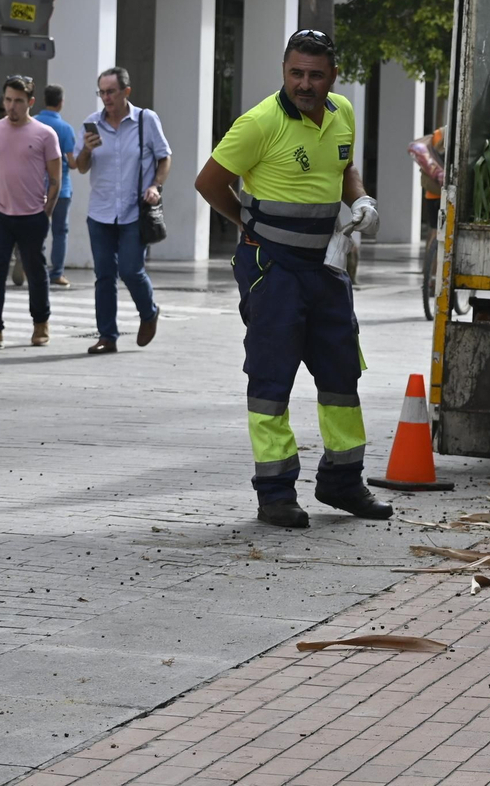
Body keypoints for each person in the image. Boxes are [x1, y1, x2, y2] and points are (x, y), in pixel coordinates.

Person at [195, 29, 391, 529]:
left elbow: (345, 166)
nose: (305, 84)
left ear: (333, 76)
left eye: (315, 75)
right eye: (296, 73)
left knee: (342, 376)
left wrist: (361, 200)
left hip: (325, 268)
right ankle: (276, 494)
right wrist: (248, 225)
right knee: (271, 379)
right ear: (284, 71)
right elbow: (209, 182)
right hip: (273, 270)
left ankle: (342, 482)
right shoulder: (259, 123)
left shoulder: (342, 112)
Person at [76, 66, 168, 355]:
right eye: (102, 92)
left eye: (111, 92)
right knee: (104, 276)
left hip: (134, 211)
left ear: (126, 91)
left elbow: (164, 157)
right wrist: (87, 150)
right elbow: (80, 167)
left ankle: (149, 312)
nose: (106, 98)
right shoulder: (92, 123)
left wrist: (155, 186)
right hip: (100, 211)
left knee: (130, 270)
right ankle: (107, 336)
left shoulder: (145, 120)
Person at [0, 76, 62, 350]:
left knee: (35, 270)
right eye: (8, 100)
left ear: (30, 102)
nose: (11, 106)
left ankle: (41, 323)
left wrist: (46, 212)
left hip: (32, 214)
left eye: (18, 101)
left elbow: (55, 178)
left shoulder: (45, 134)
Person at [33, 84, 77, 288]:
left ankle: (33, 266)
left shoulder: (33, 123)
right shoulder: (65, 129)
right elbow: (73, 162)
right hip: (61, 188)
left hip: (34, 186)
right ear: (61, 103)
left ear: (44, 100)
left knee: (35, 229)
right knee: (60, 232)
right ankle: (57, 273)